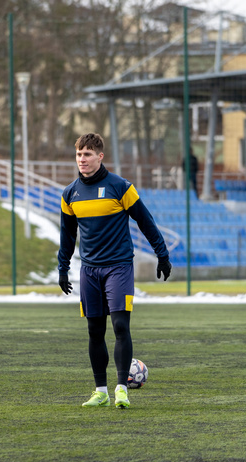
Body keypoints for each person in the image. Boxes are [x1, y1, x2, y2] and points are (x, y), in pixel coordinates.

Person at [58, 133, 172, 409]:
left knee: (120, 326)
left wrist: (162, 254)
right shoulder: (70, 193)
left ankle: (122, 389)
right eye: (78, 155)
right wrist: (63, 268)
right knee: (94, 331)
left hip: (119, 267)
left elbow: (146, 221)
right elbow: (67, 236)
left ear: (100, 156)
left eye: (87, 154)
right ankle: (101, 391)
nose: (82, 160)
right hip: (89, 271)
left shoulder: (120, 187)